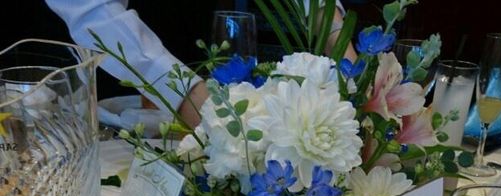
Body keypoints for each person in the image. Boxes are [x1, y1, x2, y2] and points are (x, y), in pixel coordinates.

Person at [45, 0, 350, 128]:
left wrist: (349, 62)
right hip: (65, 94)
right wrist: (196, 103)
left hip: (193, 64)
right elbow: (94, 12)